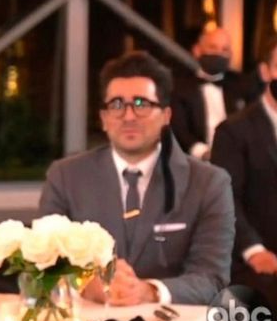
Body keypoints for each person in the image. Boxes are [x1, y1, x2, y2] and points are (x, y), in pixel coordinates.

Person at [39, 51, 234, 305]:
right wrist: (86, 284)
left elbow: (211, 279)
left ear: (166, 116)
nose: (128, 116)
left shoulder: (209, 183)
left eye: (141, 103)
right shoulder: (65, 176)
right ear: (104, 118)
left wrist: (148, 291)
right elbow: (44, 265)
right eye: (117, 105)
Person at [211, 36, 277, 321]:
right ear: (266, 72)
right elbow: (227, 200)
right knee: (258, 315)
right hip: (252, 260)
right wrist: (255, 251)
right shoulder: (234, 131)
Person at [170, 26, 254, 160]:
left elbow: (254, 123)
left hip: (238, 158)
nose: (219, 54)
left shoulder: (243, 84)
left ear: (231, 55)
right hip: (196, 162)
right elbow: (179, 128)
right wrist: (204, 153)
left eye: (225, 49)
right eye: (213, 47)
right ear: (197, 50)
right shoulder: (180, 87)